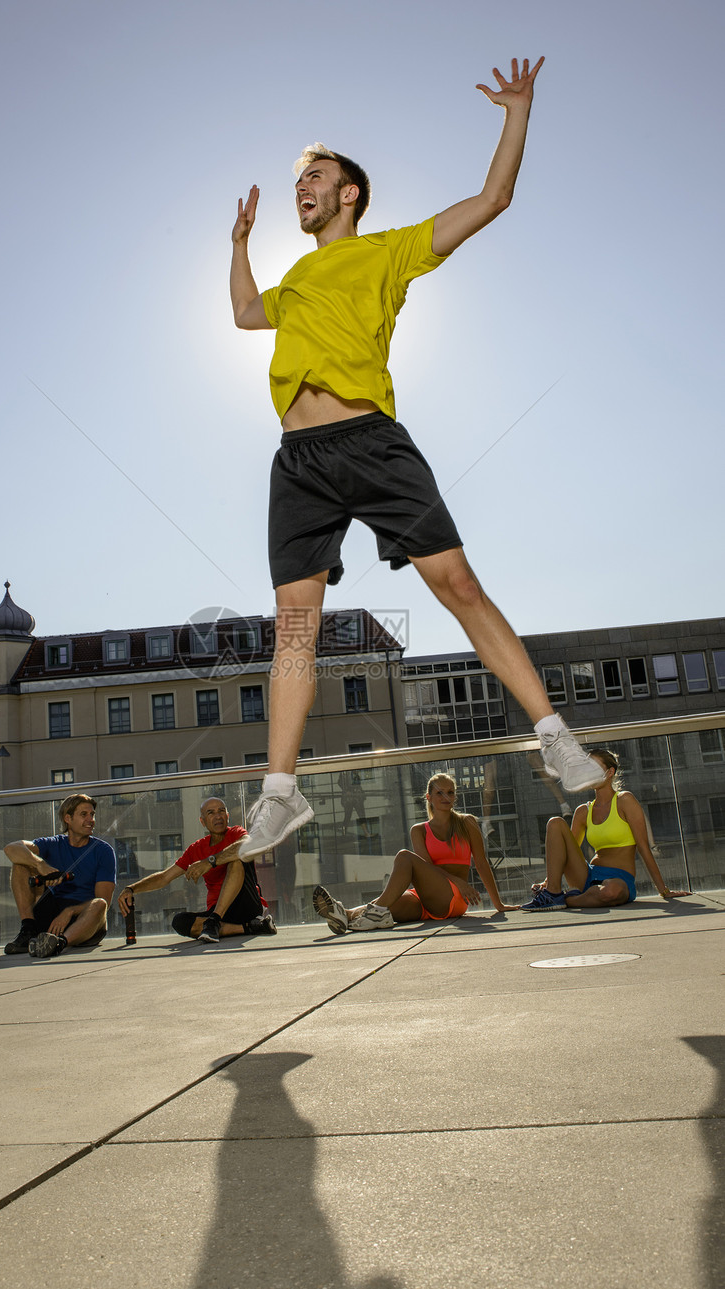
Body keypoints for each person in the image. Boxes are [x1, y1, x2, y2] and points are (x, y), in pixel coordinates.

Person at [230, 56, 604, 860]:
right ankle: (279, 794)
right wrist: (239, 242)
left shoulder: (391, 251)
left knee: (457, 585)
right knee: (294, 628)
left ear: (349, 193)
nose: (304, 183)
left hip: (372, 442)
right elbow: (243, 312)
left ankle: (553, 733)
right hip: (297, 459)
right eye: (301, 175)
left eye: (317, 174)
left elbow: (493, 200)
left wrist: (517, 114)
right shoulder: (293, 279)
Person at [313, 772, 518, 933]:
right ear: (429, 797)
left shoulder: (467, 822)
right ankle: (344, 914)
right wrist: (460, 882)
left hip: (451, 899)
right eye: (440, 793)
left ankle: (365, 914)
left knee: (404, 857)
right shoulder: (419, 830)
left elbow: (481, 863)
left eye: (451, 792)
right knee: (385, 906)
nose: (446, 797)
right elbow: (428, 869)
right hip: (422, 899)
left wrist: (498, 904)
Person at [521, 748, 692, 910]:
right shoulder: (583, 811)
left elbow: (643, 847)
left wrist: (664, 890)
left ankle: (570, 899)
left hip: (619, 878)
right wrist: (547, 881)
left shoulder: (625, 801)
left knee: (611, 892)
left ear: (610, 772)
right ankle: (553, 892)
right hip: (586, 875)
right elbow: (565, 853)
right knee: (555, 823)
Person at [116, 797, 277, 944]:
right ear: (203, 821)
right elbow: (164, 877)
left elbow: (247, 844)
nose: (218, 816)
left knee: (236, 858)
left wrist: (210, 861)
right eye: (211, 813)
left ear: (227, 816)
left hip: (248, 904)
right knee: (179, 921)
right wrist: (132, 888)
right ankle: (249, 927)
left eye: (221, 811)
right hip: (221, 911)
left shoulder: (236, 833)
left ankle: (215, 922)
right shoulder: (197, 849)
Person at [3, 793, 116, 958]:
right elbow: (11, 848)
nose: (90, 819)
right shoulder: (52, 843)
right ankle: (28, 929)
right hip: (52, 916)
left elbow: (104, 902)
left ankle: (58, 944)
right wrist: (40, 865)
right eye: (84, 814)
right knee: (20, 863)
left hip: (85, 920)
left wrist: (69, 912)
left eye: (92, 815)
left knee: (99, 904)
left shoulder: (104, 851)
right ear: (67, 819)